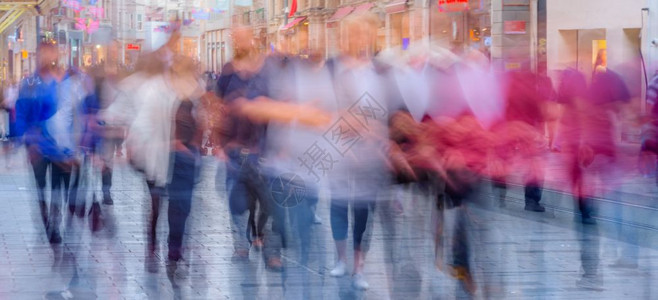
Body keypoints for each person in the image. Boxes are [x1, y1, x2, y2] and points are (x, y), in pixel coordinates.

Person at [15, 43, 81, 244]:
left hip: (59, 147)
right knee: (42, 187)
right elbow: (21, 114)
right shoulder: (30, 83)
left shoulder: (64, 82)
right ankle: (48, 223)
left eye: (51, 54)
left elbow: (73, 114)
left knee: (58, 188)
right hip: (38, 147)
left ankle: (55, 220)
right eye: (44, 54)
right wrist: (26, 141)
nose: (48, 58)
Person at [166, 56, 205, 276]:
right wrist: (181, 147)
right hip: (181, 155)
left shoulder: (192, 93)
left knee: (182, 205)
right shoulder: (179, 94)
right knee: (180, 204)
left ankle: (176, 246)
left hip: (188, 154)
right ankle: (174, 247)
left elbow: (199, 121)